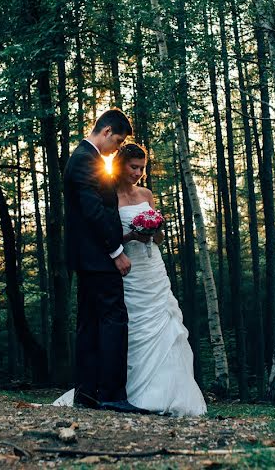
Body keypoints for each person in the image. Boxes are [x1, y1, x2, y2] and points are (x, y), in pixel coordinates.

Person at [55, 143, 206, 417]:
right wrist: (131, 235)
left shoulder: (146, 194)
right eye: (133, 167)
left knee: (165, 324)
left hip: (152, 268)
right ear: (121, 166)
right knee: (129, 328)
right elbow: (105, 235)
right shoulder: (108, 194)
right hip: (125, 268)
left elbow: (159, 238)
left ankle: (168, 391)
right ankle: (120, 390)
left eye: (142, 168)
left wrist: (155, 228)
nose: (138, 172)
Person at [62, 109, 148, 414]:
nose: (117, 147)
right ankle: (112, 394)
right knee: (114, 319)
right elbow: (94, 212)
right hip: (98, 257)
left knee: (89, 323)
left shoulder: (85, 157)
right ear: (108, 130)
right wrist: (116, 252)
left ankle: (86, 394)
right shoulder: (87, 159)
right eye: (119, 140)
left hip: (87, 257)